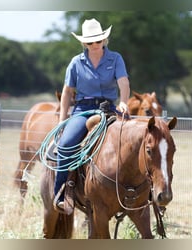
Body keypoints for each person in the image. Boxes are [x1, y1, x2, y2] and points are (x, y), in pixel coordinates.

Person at [54, 18, 130, 211]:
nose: (95, 45)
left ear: (104, 40)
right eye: (90, 42)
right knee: (65, 145)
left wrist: (123, 102)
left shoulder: (116, 59)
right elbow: (67, 92)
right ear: (84, 43)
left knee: (134, 141)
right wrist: (63, 120)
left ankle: (139, 193)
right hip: (82, 110)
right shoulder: (75, 63)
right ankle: (62, 193)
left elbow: (123, 82)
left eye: (98, 40)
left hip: (109, 109)